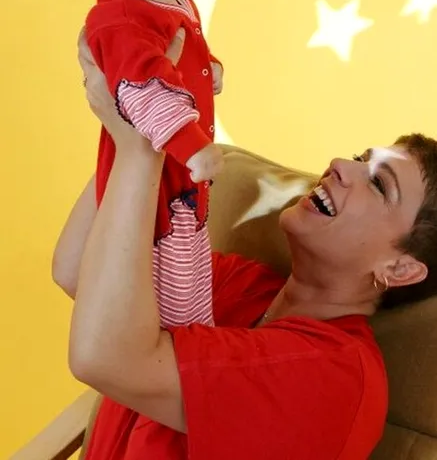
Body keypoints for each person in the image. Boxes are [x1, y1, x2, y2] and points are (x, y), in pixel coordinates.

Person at [53, 30, 437, 460]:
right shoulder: (240, 280)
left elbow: (102, 356)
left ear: (400, 268)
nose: (341, 165)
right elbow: (77, 272)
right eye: (361, 158)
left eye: (379, 184)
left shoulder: (337, 376)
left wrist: (140, 146)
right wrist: (139, 106)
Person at [83, 0, 224, 328]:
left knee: (194, 276)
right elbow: (143, 87)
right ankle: (168, 349)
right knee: (171, 296)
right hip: (159, 183)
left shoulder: (172, 1)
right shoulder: (120, 18)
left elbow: (181, 53)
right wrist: (192, 146)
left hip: (179, 177)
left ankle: (190, 340)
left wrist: (209, 68)